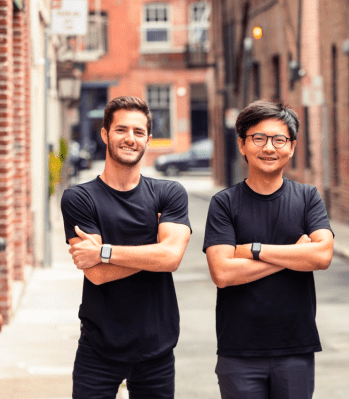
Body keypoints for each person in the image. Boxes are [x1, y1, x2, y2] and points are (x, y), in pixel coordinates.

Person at [61, 96, 192, 398]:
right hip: (98, 348)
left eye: (138, 131)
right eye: (121, 130)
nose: (130, 139)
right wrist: (155, 249)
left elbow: (171, 257)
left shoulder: (169, 193)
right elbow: (96, 274)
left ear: (148, 138)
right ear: (105, 134)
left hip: (156, 348)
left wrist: (104, 251)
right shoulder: (80, 198)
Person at [203, 100, 334, 399]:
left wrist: (253, 250)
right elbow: (222, 272)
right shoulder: (224, 203)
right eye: (258, 138)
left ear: (292, 146)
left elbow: (322, 255)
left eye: (279, 139)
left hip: (295, 349)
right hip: (238, 352)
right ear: (242, 144)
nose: (269, 148)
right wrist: (294, 255)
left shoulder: (307, 197)